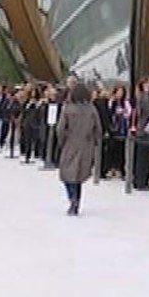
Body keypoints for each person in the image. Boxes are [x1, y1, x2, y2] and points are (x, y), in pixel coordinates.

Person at [57, 82, 102, 216]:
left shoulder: (68, 109)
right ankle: (76, 200)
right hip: (86, 145)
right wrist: (94, 141)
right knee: (78, 175)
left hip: (70, 143)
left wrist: (62, 141)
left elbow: (60, 128)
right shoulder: (91, 109)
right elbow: (98, 128)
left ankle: (72, 198)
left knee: (67, 173)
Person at [131, 76, 149, 190]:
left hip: (144, 129)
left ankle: (139, 180)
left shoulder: (143, 96)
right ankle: (141, 182)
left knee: (142, 157)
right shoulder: (145, 97)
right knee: (144, 158)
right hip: (146, 130)